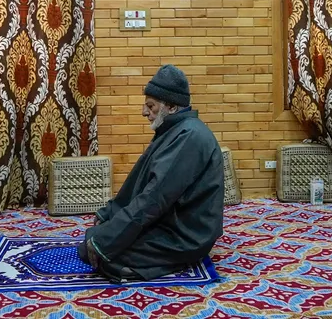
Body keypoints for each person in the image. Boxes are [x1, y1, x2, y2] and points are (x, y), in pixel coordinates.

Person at [77, 64, 224, 282]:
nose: (144, 112)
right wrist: (110, 214)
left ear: (172, 107)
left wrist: (106, 240)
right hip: (171, 221)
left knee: (102, 254)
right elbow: (142, 182)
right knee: (96, 238)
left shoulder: (189, 137)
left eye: (150, 106)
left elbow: (155, 198)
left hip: (186, 234)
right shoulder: (176, 130)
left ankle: (154, 266)